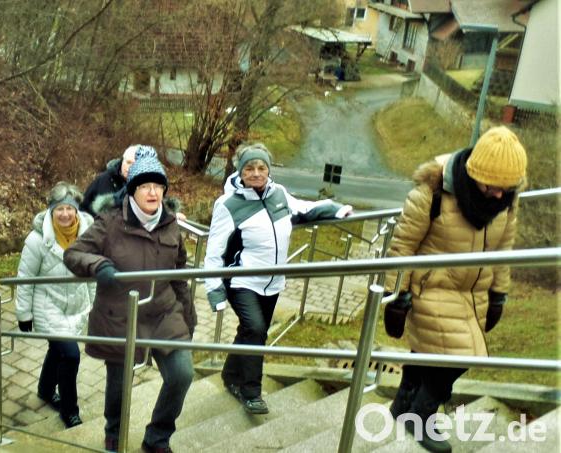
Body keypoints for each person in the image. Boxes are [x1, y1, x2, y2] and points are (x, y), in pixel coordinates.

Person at [384, 126, 527, 453]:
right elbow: (403, 246)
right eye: (493, 186)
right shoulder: (432, 192)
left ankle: (403, 407)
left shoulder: (506, 201)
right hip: (430, 287)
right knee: (457, 357)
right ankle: (421, 416)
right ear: (475, 172)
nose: (499, 195)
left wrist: (498, 295)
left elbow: (503, 251)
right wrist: (397, 296)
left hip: (472, 293)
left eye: (507, 188)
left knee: (429, 353)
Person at [64, 146, 196, 453]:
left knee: (182, 374)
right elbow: (73, 254)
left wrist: (188, 318)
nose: (152, 193)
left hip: (163, 312)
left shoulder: (171, 224)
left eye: (158, 186)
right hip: (121, 315)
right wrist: (98, 265)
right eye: (145, 186)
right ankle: (114, 431)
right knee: (119, 385)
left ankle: (157, 438)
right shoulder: (110, 222)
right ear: (132, 190)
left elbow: (178, 273)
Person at [203, 143, 352, 414]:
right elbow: (214, 250)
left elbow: (303, 209)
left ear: (269, 170)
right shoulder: (228, 205)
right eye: (250, 168)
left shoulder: (279, 194)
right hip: (242, 281)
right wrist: (214, 290)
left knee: (249, 331)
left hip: (273, 283)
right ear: (240, 171)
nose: (257, 173)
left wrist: (335, 208)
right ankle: (251, 392)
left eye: (262, 168)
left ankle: (230, 376)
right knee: (257, 331)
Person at [15, 182, 95, 428]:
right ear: (51, 210)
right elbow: (25, 277)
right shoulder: (37, 240)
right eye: (59, 208)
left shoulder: (90, 233)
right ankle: (69, 410)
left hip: (76, 305)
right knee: (71, 355)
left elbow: (92, 271)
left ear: (76, 210)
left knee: (58, 350)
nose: (64, 214)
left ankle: (46, 389)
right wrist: (24, 313)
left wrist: (94, 302)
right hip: (48, 305)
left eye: (69, 209)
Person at [80, 145, 137, 217]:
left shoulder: (144, 185)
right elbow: (83, 206)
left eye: (135, 164)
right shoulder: (104, 179)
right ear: (122, 161)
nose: (130, 167)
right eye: (128, 162)